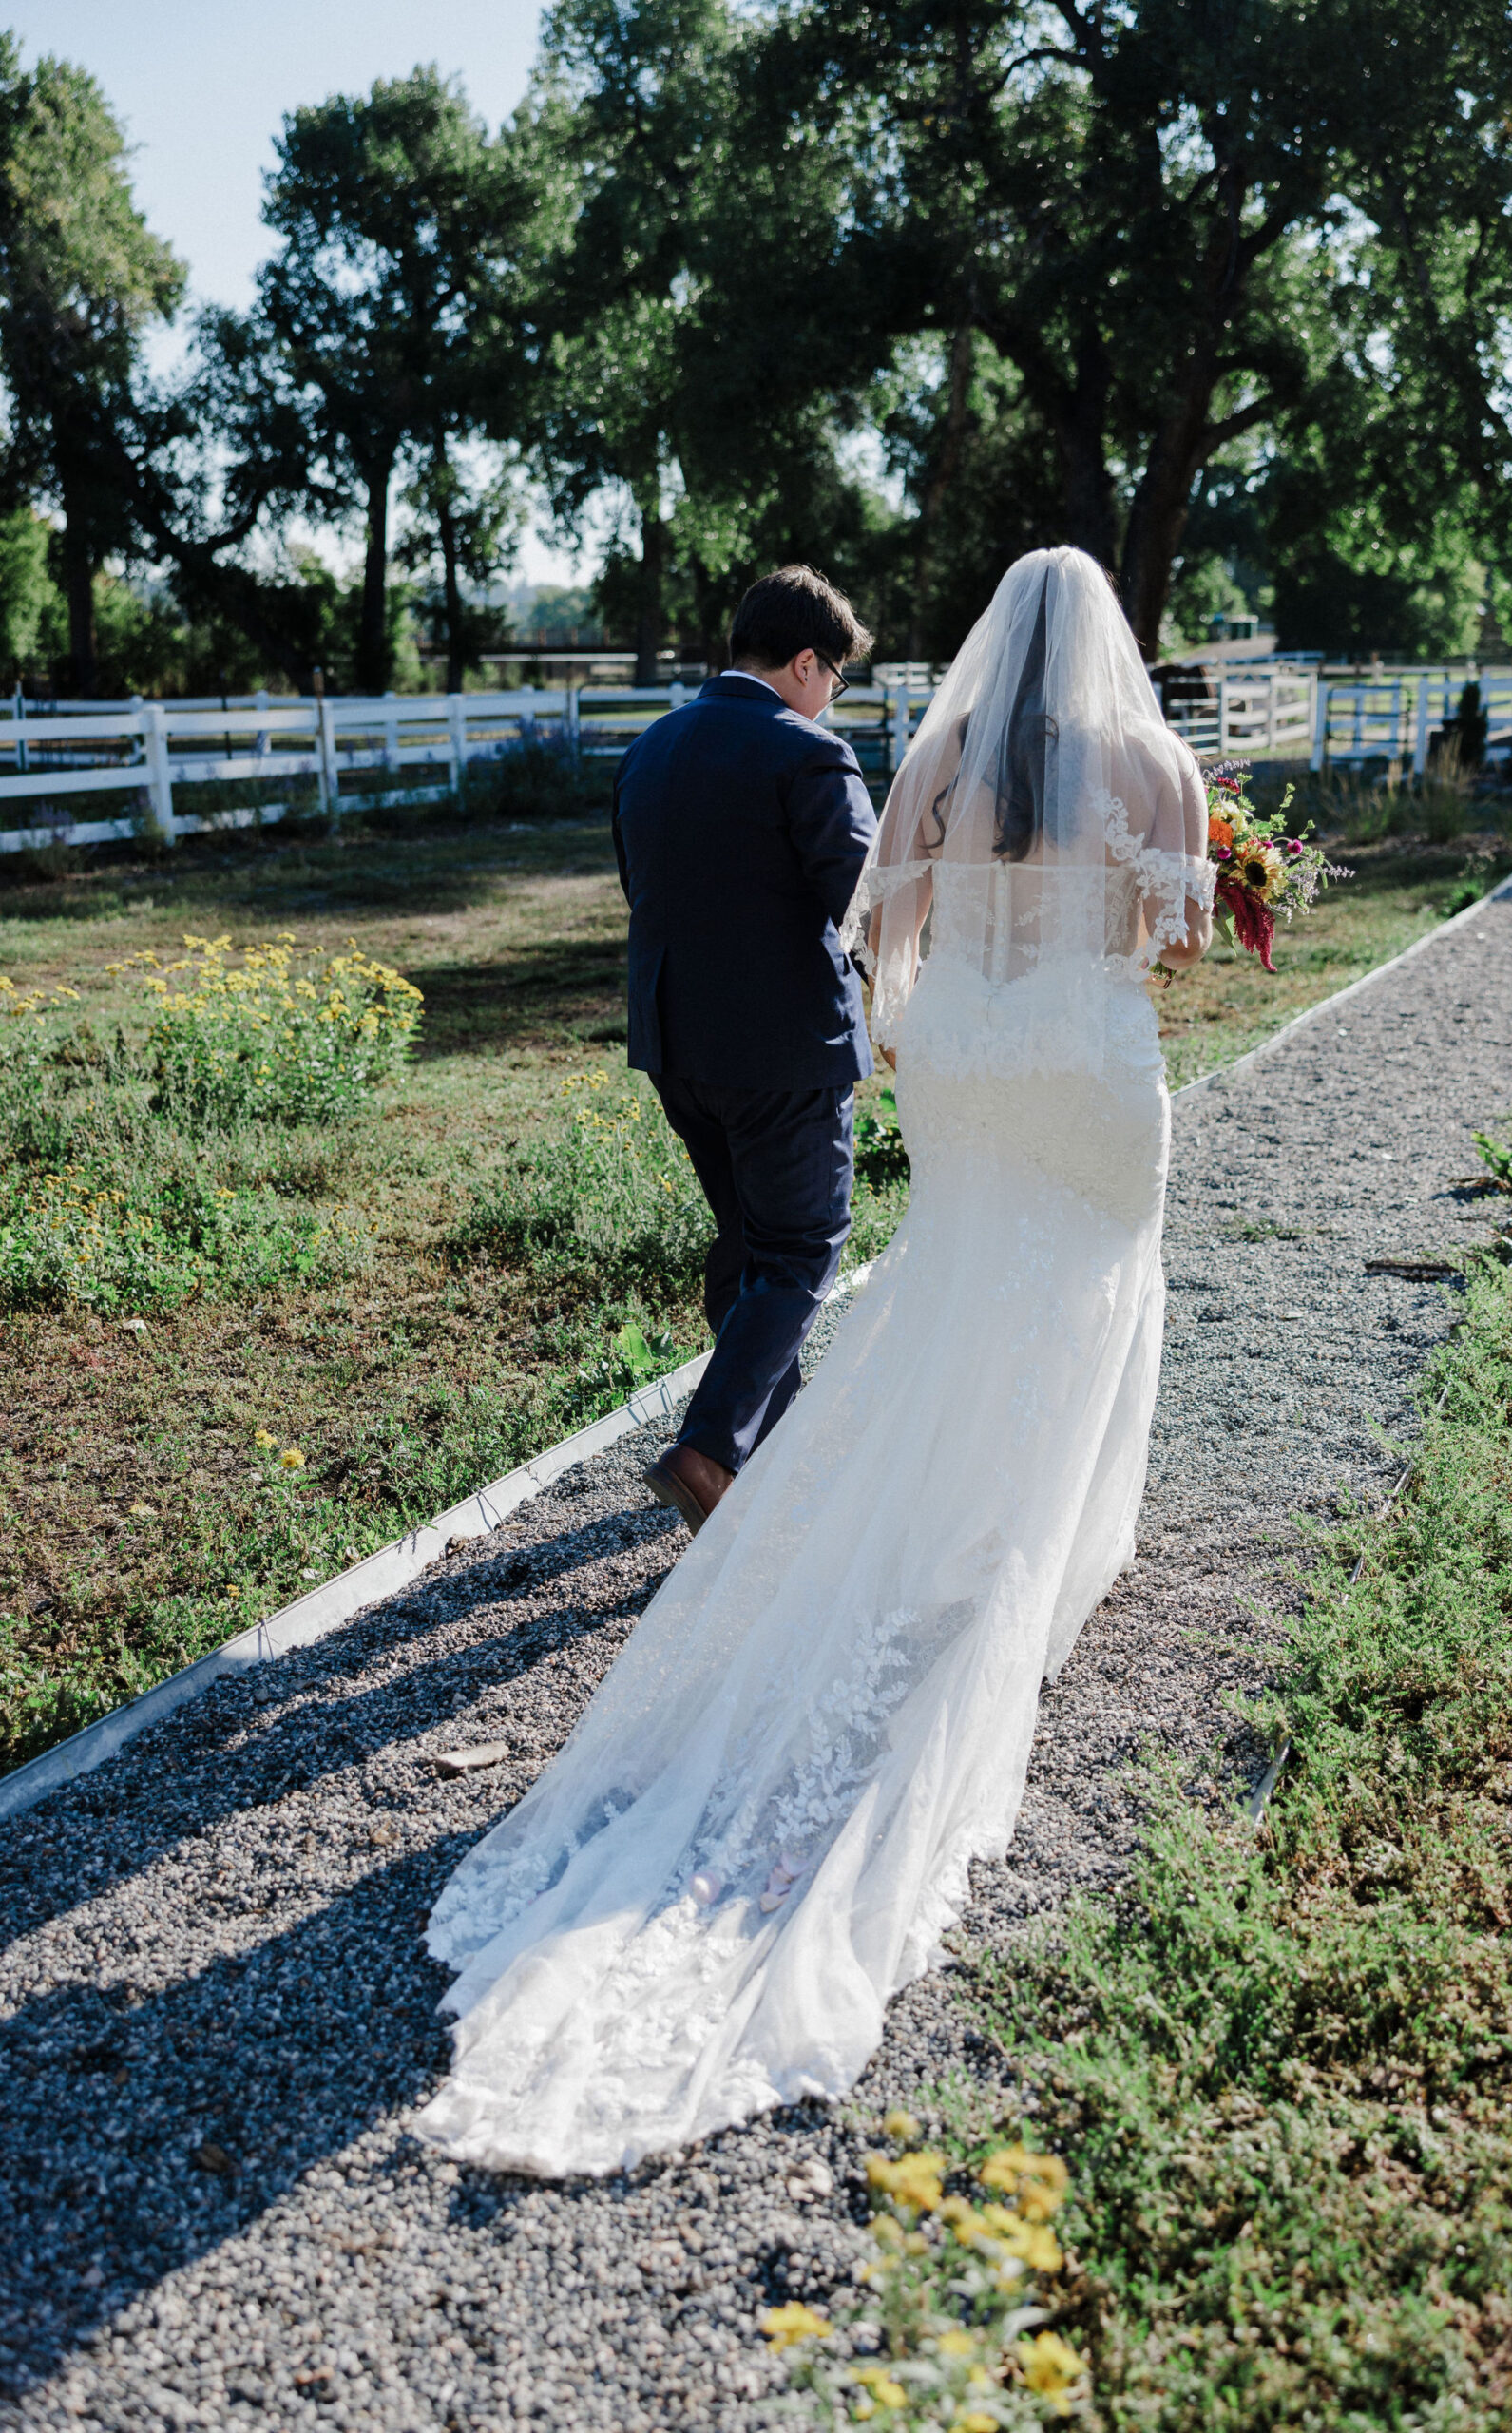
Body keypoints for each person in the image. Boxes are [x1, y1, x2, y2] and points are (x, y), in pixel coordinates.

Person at [416, 548, 1214, 2179]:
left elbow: (881, 927)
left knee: (942, 1297)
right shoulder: (1155, 762)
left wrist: (939, 1010)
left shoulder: (934, 750)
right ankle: (1040, 1542)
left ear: (1004, 642)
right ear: (1111, 646)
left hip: (970, 1066)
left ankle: (898, 1525)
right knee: (1087, 1284)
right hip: (1085, 1059)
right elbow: (1171, 935)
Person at [611, 565, 878, 1536]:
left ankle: (773, 1448)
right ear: (806, 662)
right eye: (834, 677)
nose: (832, 695)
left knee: (747, 1244)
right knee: (803, 1247)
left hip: (679, 1044)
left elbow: (646, 893)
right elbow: (867, 903)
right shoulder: (808, 753)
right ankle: (711, 1451)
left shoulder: (648, 750)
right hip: (787, 1051)